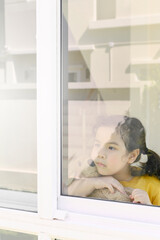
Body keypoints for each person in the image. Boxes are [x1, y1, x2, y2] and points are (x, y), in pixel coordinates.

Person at [68, 115, 160, 206]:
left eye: (111, 147)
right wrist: (92, 183)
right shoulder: (89, 175)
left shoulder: (152, 186)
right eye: (97, 144)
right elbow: (66, 195)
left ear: (132, 156)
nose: (100, 153)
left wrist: (148, 206)